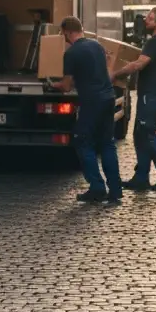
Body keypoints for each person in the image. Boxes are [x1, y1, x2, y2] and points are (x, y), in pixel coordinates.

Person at [50, 16, 122, 204]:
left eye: (63, 34)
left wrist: (54, 84)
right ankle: (115, 190)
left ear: (67, 32)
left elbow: (66, 86)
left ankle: (97, 187)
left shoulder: (71, 53)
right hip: (108, 97)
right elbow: (98, 73)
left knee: (82, 141)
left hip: (92, 101)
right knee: (107, 144)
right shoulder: (97, 45)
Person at [115, 6, 156, 192]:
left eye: (150, 19)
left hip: (152, 95)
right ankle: (141, 177)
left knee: (147, 134)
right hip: (150, 94)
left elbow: (139, 64)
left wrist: (115, 74)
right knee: (139, 134)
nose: (145, 21)